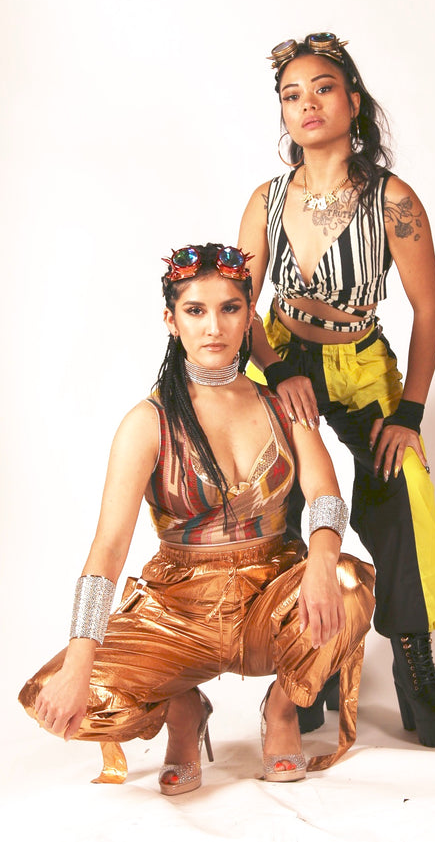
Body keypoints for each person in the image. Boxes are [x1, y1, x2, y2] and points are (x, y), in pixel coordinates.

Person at [19, 243, 375, 794]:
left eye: (230, 308)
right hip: (177, 612)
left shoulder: (284, 404)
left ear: (249, 317)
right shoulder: (148, 422)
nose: (214, 327)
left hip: (269, 601)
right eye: (195, 310)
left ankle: (281, 710)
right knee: (53, 697)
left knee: (351, 583)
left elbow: (325, 494)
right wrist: (79, 664)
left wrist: (323, 562)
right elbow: (108, 548)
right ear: (171, 320)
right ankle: (184, 710)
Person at [238, 33, 435, 747]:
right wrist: (278, 372)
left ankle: (413, 660)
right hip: (279, 354)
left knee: (403, 491)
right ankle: (303, 657)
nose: (306, 104)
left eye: (323, 88)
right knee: (276, 496)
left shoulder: (392, 200)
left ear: (353, 101)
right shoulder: (268, 199)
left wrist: (410, 413)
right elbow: (240, 304)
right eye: (291, 95)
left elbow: (430, 309)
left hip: (358, 363)